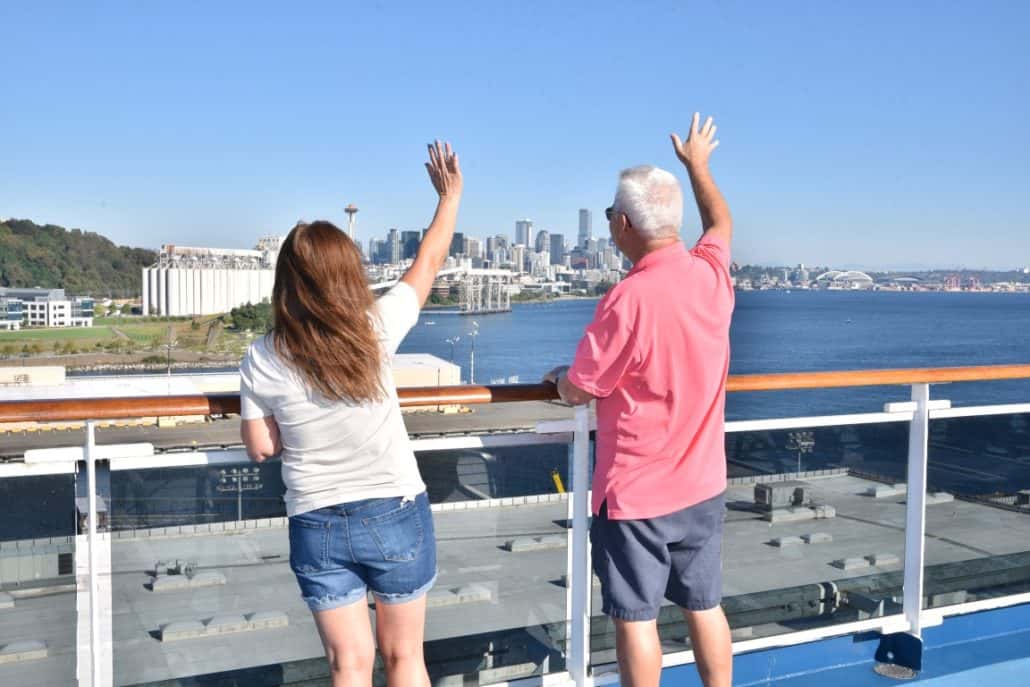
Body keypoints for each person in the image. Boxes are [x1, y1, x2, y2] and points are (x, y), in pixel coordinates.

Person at [239, 141, 463, 687]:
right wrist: (449, 197)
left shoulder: (263, 354)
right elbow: (428, 262)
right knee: (406, 657)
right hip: (393, 507)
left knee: (348, 664)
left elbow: (262, 447)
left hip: (315, 518)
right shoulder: (374, 329)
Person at [543, 113, 734, 687]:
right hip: (703, 485)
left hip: (637, 497)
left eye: (609, 216)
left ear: (622, 224)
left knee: (636, 617)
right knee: (705, 605)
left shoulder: (628, 300)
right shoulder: (711, 275)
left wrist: (556, 380)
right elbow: (720, 220)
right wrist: (698, 166)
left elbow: (581, 386)